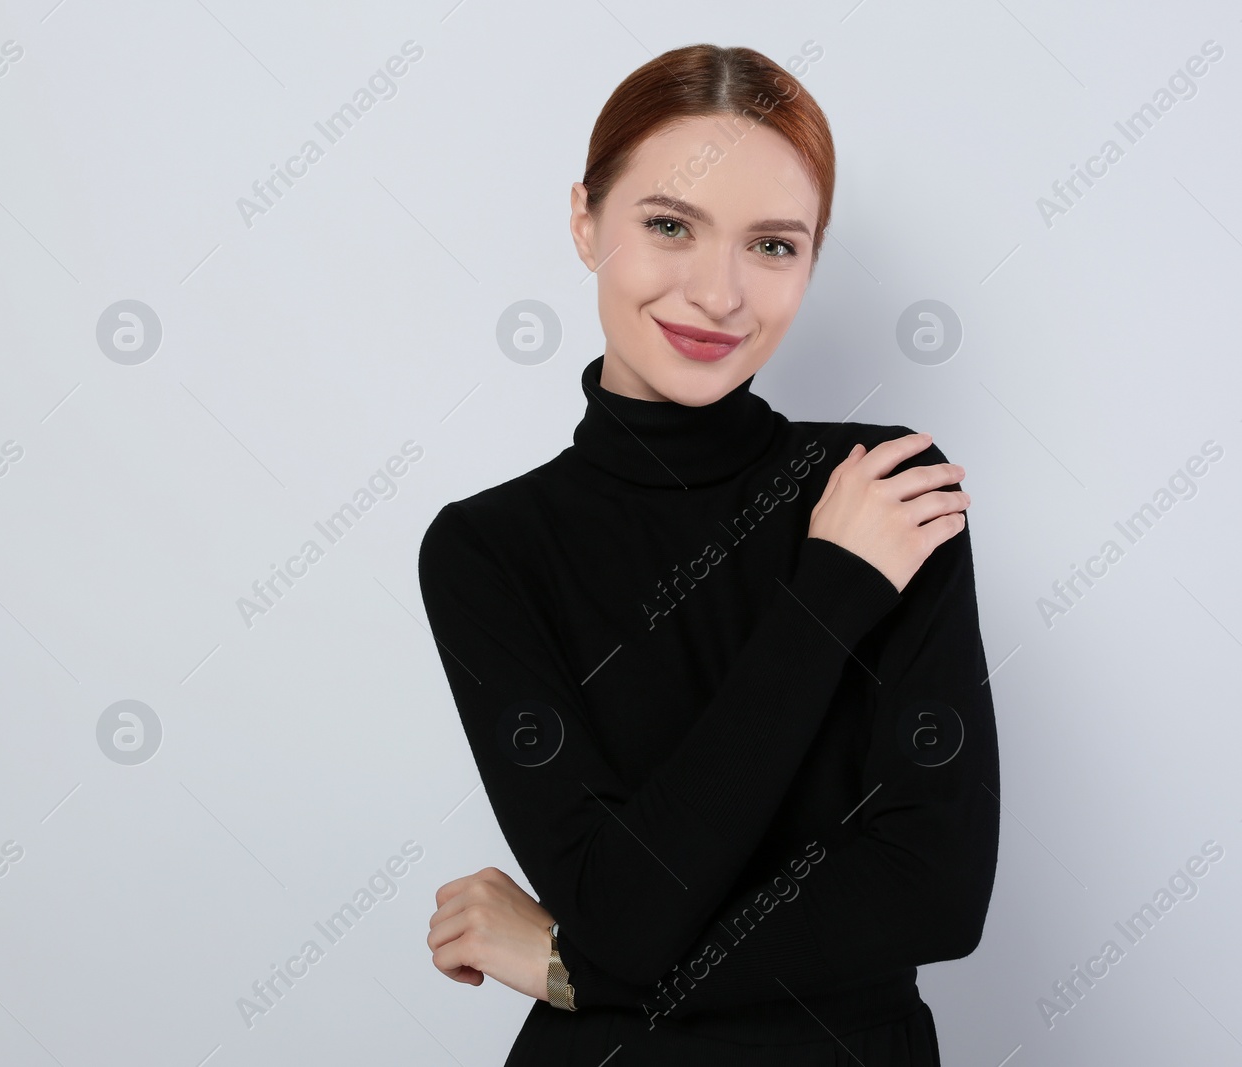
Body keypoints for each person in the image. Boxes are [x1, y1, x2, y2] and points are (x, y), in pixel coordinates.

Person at [417, 43, 999, 1066]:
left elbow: (933, 893)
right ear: (585, 221)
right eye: (670, 226)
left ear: (813, 257)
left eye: (772, 245)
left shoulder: (886, 488)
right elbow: (627, 910)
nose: (720, 293)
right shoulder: (488, 549)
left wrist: (576, 964)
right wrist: (829, 595)